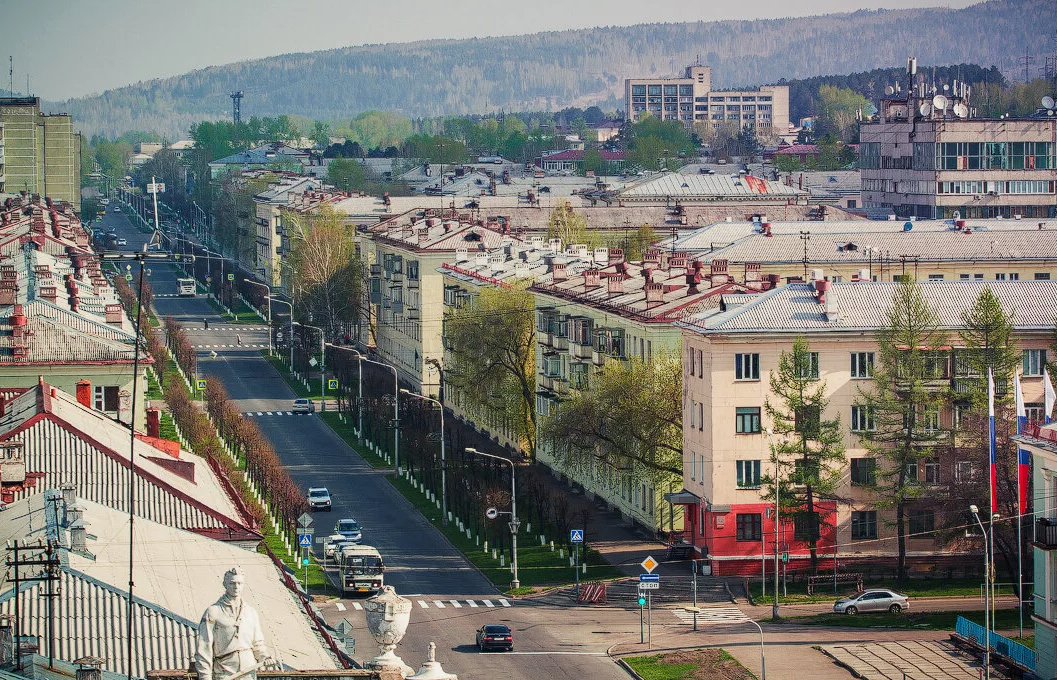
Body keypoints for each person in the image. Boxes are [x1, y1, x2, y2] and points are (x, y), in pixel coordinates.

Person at [195, 567, 272, 680]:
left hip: (248, 671)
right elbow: (204, 649)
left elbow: (258, 644)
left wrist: (265, 657)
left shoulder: (251, 612)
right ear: (225, 584)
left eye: (239, 583)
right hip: (224, 670)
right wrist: (205, 677)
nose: (236, 587)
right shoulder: (213, 612)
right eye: (232, 583)